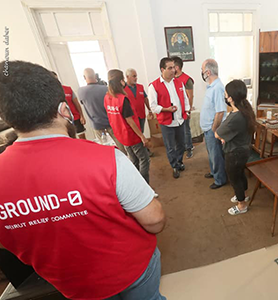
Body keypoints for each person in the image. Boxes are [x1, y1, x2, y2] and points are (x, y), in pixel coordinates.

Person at [0, 61, 166, 300]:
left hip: (71, 283)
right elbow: (155, 220)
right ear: (64, 110)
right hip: (131, 269)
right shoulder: (107, 159)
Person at [215, 80, 256, 215]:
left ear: (231, 98)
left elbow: (218, 133)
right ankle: (243, 194)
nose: (225, 97)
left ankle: (241, 205)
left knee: (234, 178)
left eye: (226, 95)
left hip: (235, 153)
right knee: (240, 173)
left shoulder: (235, 117)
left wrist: (219, 135)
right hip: (243, 149)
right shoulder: (246, 109)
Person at [104, 69, 151, 184]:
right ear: (121, 81)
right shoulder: (122, 99)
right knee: (144, 159)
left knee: (133, 159)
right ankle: (143, 185)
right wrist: (142, 137)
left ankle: (135, 182)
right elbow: (130, 121)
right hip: (131, 135)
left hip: (121, 135)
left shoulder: (107, 97)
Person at [148, 57, 190, 179]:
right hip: (167, 122)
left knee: (181, 144)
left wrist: (186, 110)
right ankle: (174, 166)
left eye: (174, 67)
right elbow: (153, 107)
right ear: (162, 69)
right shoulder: (154, 86)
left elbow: (185, 99)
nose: (173, 70)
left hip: (180, 120)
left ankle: (179, 161)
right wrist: (166, 109)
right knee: (171, 146)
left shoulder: (178, 82)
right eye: (170, 68)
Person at [78, 68, 127, 155]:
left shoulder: (81, 91)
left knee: (104, 148)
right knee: (120, 146)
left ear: (84, 77)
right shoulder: (105, 89)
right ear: (96, 76)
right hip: (110, 122)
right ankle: (124, 159)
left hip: (96, 124)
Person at [200, 59, 227, 189]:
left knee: (216, 155)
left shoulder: (217, 87)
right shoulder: (211, 86)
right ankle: (214, 172)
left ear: (208, 72)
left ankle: (219, 179)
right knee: (211, 153)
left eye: (202, 70)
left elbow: (220, 111)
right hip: (208, 128)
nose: (201, 73)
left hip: (213, 128)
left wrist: (214, 129)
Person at [125, 68, 154, 157]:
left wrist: (150, 110)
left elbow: (145, 99)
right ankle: (142, 152)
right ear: (127, 77)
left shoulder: (140, 87)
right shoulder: (123, 89)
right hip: (131, 117)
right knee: (136, 135)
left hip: (141, 115)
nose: (136, 78)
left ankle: (143, 150)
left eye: (136, 76)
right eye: (134, 76)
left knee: (140, 132)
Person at [51, 72, 86, 139]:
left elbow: (76, 103)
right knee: (71, 139)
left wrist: (82, 116)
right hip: (62, 120)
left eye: (57, 79)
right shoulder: (50, 93)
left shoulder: (68, 89)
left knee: (82, 137)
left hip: (75, 117)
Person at [172, 56, 195, 159]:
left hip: (184, 110)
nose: (171, 69)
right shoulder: (171, 79)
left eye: (172, 67)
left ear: (177, 67)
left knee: (186, 130)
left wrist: (188, 110)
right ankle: (180, 148)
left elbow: (190, 96)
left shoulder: (187, 80)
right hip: (174, 111)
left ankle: (189, 148)